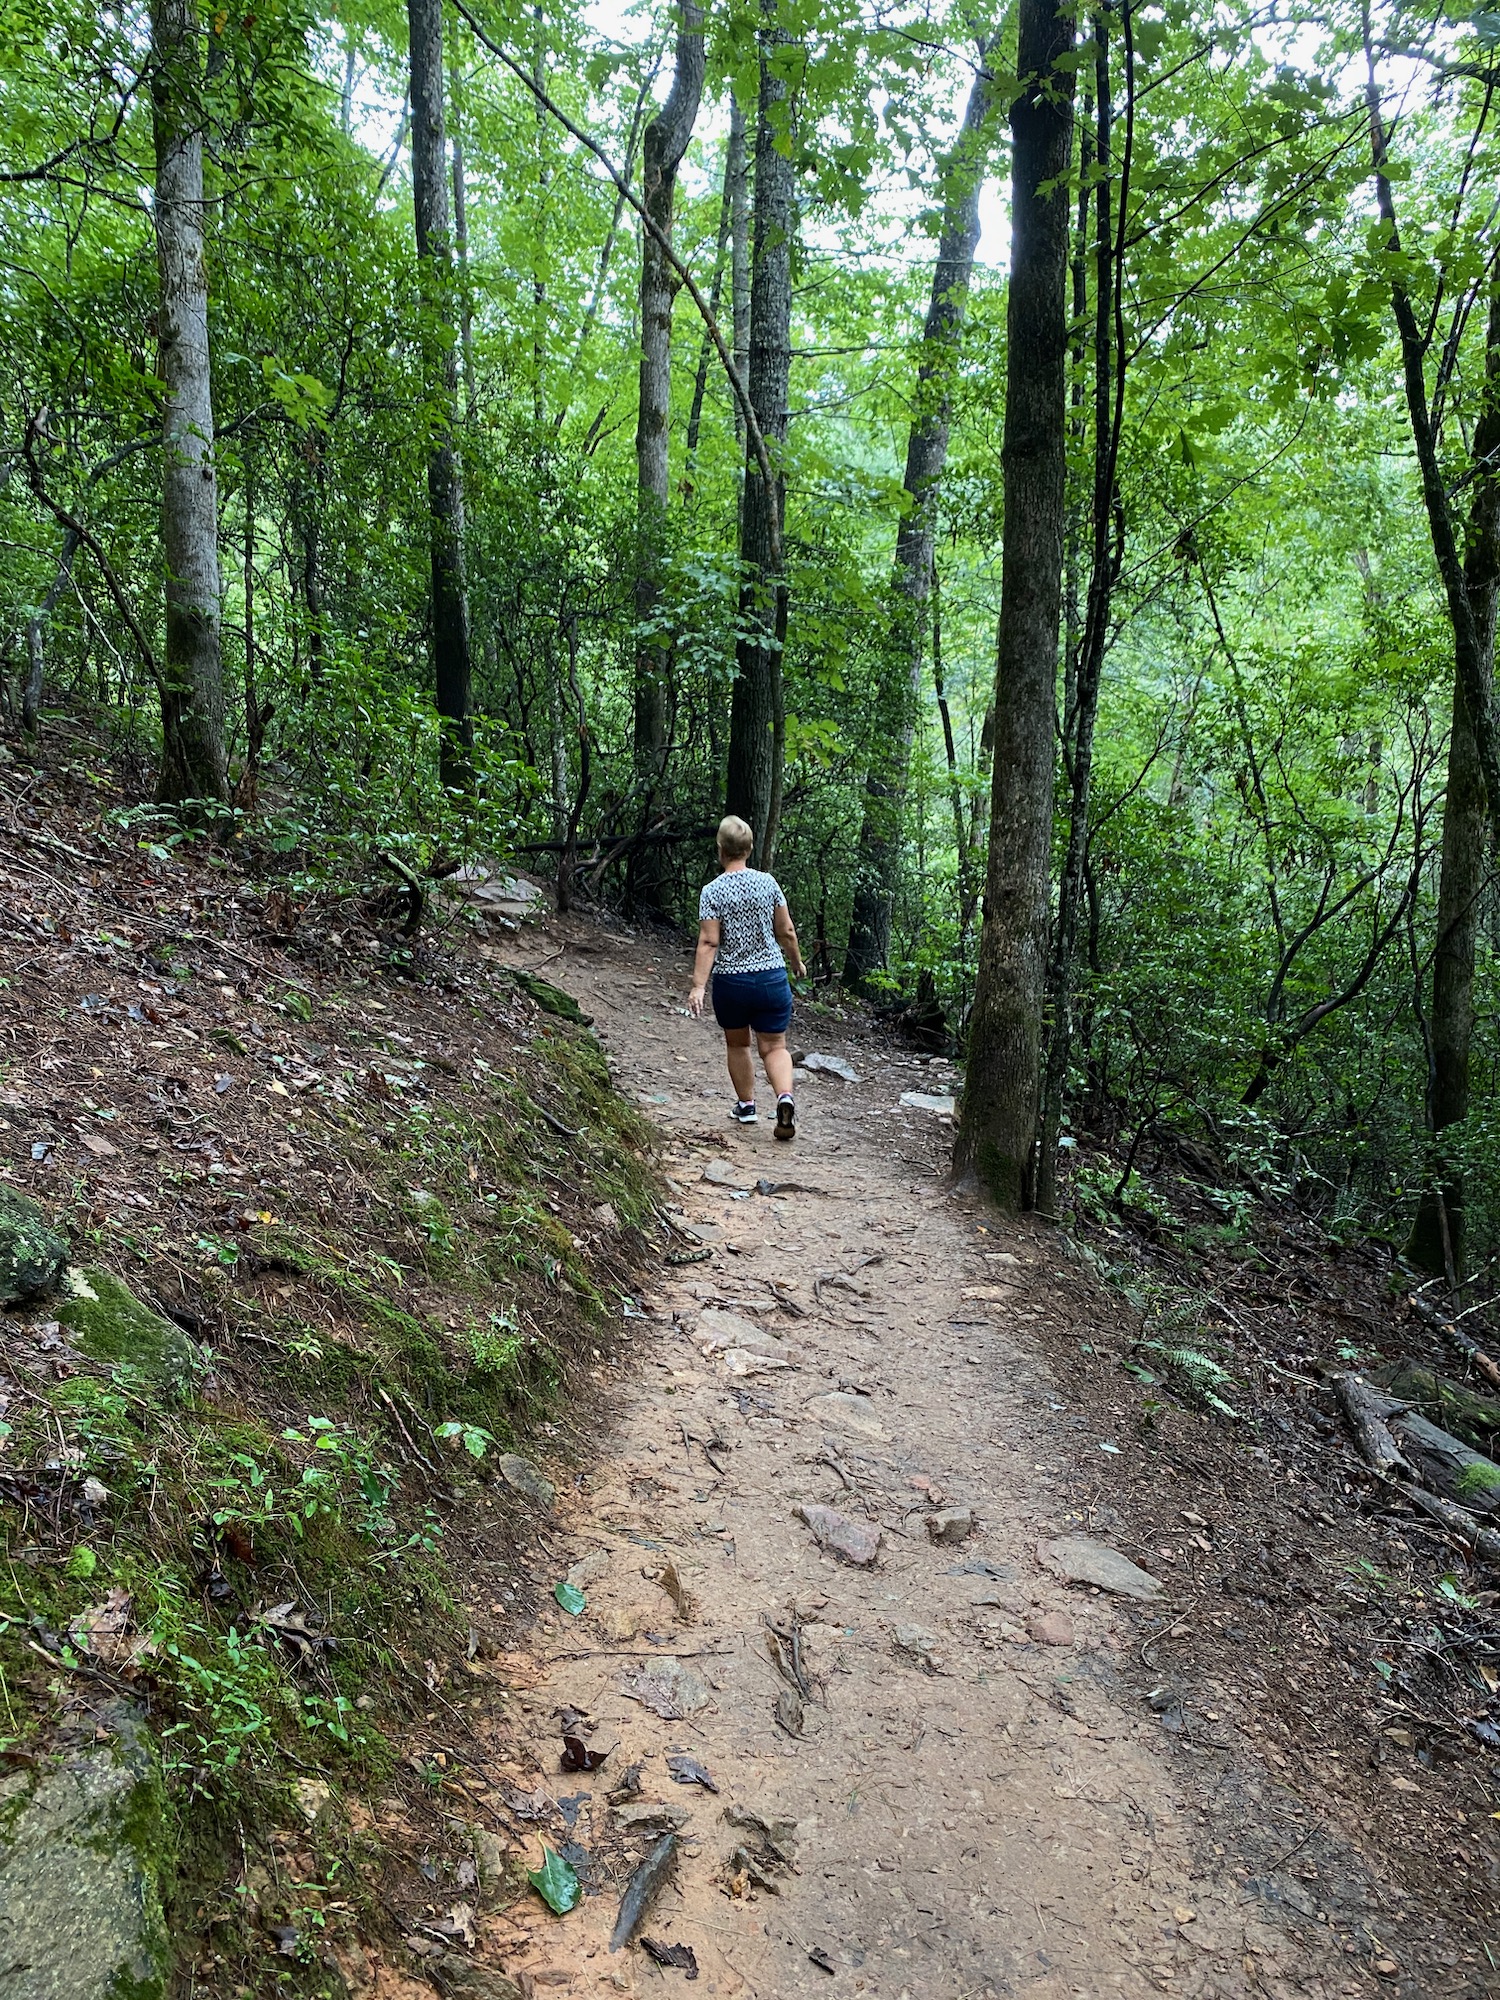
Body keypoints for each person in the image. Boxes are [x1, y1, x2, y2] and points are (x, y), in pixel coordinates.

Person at [687, 815, 806, 1139]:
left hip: (733, 983)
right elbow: (786, 930)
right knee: (775, 1046)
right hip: (771, 979)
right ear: (750, 848)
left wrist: (698, 986)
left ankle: (747, 1105)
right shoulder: (768, 883)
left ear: (720, 849)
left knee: (738, 1043)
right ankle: (784, 1097)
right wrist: (796, 962)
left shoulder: (712, 891)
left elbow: (709, 941)